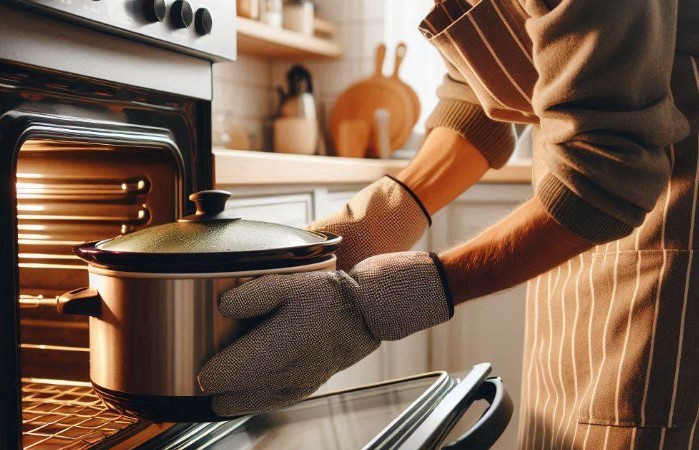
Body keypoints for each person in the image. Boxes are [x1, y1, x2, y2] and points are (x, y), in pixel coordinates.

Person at [199, 0, 699, 447]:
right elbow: (474, 100)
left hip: (669, 232)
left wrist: (376, 302)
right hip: (584, 232)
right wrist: (375, 221)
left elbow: (608, 166)